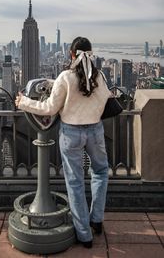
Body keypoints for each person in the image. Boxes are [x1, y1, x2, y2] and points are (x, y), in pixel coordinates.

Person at [15, 36, 111, 248]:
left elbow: (49, 108)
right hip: (95, 130)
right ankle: (96, 219)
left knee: (75, 183)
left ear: (72, 54)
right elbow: (104, 98)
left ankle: (84, 235)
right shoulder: (100, 76)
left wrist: (24, 102)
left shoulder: (65, 77)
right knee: (101, 172)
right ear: (91, 54)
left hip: (72, 133)